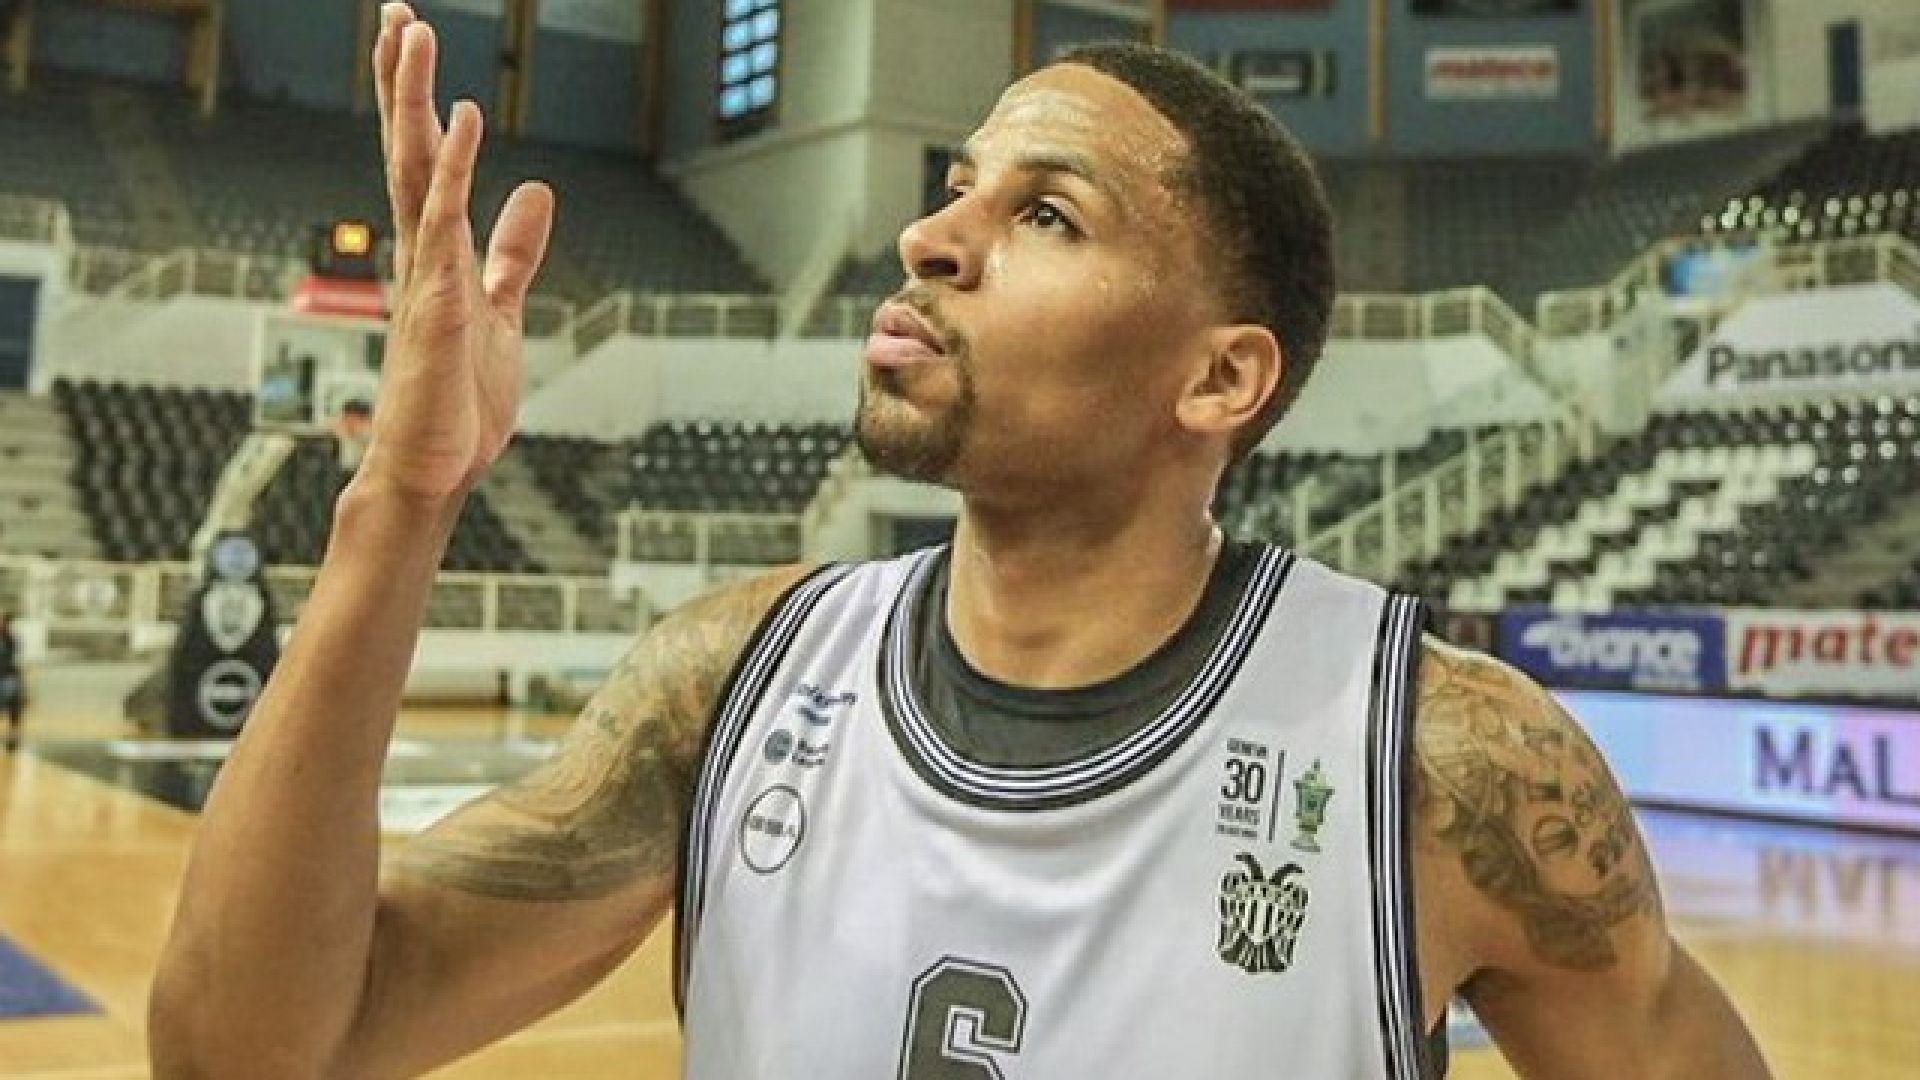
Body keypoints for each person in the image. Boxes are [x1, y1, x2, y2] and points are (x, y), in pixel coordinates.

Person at [149, 5, 1773, 1078]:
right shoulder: (730, 685)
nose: (930, 238)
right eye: (956, 189)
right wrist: (399, 500)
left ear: (1221, 379)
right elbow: (245, 1052)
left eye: (1044, 214)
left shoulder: (1442, 765)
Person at [0, 611, 21, 752]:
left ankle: (12, 738)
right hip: (6, 677)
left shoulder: (11, 639)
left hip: (8, 676)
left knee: (14, 708)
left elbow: (12, 659)